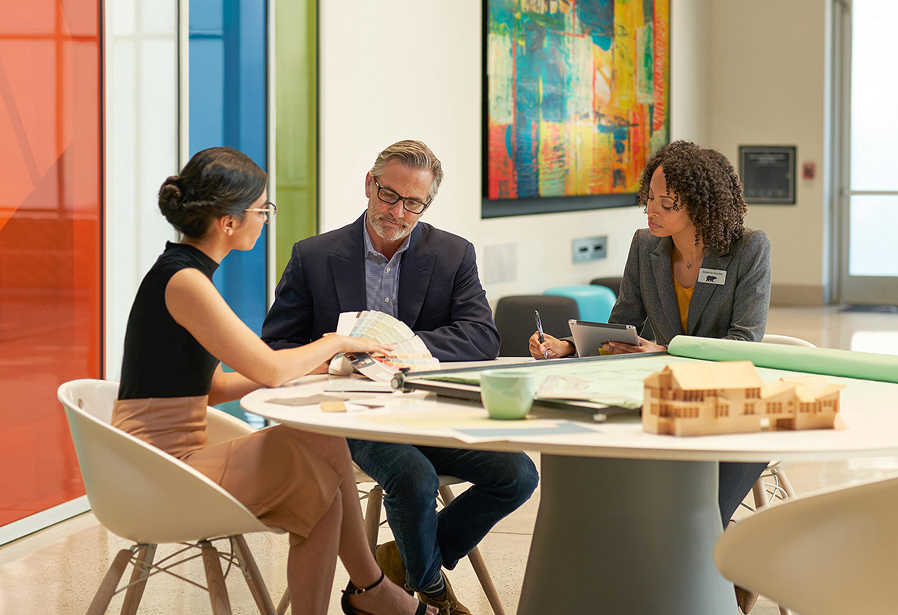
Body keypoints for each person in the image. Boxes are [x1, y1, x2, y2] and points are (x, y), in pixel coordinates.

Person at [114, 146, 437, 615]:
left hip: (168, 453)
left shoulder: (185, 273)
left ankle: (372, 590)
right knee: (319, 476)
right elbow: (267, 368)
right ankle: (373, 591)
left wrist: (315, 367)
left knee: (322, 447)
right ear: (228, 222)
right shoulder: (186, 282)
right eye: (261, 209)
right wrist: (334, 343)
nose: (266, 219)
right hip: (155, 468)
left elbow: (215, 388)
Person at [262, 140, 538, 615]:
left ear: (427, 203)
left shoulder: (452, 253)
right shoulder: (315, 256)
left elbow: (482, 336)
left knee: (517, 475)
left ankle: (400, 564)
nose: (398, 212)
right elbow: (277, 347)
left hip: (427, 411)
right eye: (389, 195)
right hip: (351, 417)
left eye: (413, 203)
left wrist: (404, 349)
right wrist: (336, 355)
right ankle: (432, 595)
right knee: (413, 477)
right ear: (370, 184)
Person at [529, 139, 770, 527]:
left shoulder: (748, 249)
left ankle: (712, 554)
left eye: (667, 203)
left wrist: (664, 352)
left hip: (729, 400)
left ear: (701, 206)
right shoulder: (646, 246)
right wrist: (568, 346)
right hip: (661, 397)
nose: (651, 210)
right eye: (650, 198)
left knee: (699, 520)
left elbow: (745, 343)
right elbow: (622, 322)